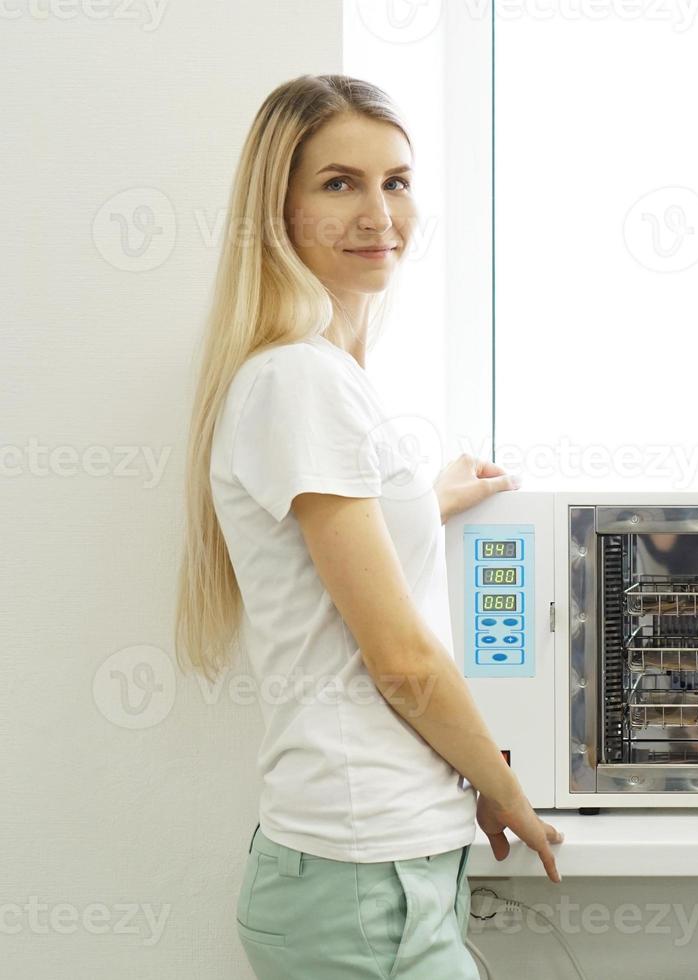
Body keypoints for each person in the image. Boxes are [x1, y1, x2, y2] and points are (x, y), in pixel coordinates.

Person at [174, 74, 562, 979]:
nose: (379, 212)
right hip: (361, 879)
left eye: (396, 181)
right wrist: (503, 791)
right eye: (338, 183)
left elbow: (331, 570)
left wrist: (422, 505)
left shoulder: (321, 379)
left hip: (379, 868)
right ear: (279, 210)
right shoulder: (298, 381)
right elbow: (401, 660)